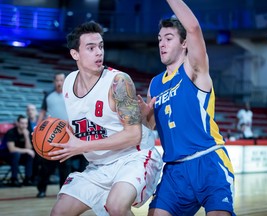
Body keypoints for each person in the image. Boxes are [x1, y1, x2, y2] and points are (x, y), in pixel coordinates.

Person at [47, 21, 163, 216]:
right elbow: (84, 125)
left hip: (133, 157)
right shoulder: (68, 83)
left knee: (116, 206)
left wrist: (81, 146)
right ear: (75, 54)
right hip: (99, 166)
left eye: (100, 46)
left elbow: (133, 136)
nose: (99, 52)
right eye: (91, 48)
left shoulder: (118, 81)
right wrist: (49, 131)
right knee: (59, 212)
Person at [138, 1, 235, 215]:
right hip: (175, 170)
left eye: (169, 38)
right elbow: (151, 125)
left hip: (209, 161)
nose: (162, 44)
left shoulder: (194, 69)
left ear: (184, 44)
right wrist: (145, 117)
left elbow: (193, 28)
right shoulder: (155, 84)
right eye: (159, 39)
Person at [36, 73, 73, 198]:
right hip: (50, 136)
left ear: (64, 81)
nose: (59, 82)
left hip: (66, 136)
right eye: (57, 80)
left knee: (65, 167)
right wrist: (37, 128)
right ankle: (41, 190)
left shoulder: (70, 95)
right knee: (46, 166)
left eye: (61, 80)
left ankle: (63, 193)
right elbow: (42, 113)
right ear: (54, 82)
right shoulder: (48, 96)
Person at [0, 115, 35, 187]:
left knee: (29, 155)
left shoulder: (28, 132)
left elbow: (29, 148)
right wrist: (27, 151)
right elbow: (11, 149)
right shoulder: (11, 132)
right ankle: (14, 179)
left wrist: (26, 137)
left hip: (18, 156)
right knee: (16, 154)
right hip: (5, 154)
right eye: (22, 123)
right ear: (17, 123)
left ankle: (27, 179)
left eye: (26, 123)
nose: (24, 125)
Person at [26, 103, 41, 184]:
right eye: (28, 110)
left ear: (36, 112)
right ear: (26, 112)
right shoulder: (24, 123)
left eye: (32, 110)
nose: (30, 111)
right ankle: (33, 177)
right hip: (31, 147)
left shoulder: (42, 122)